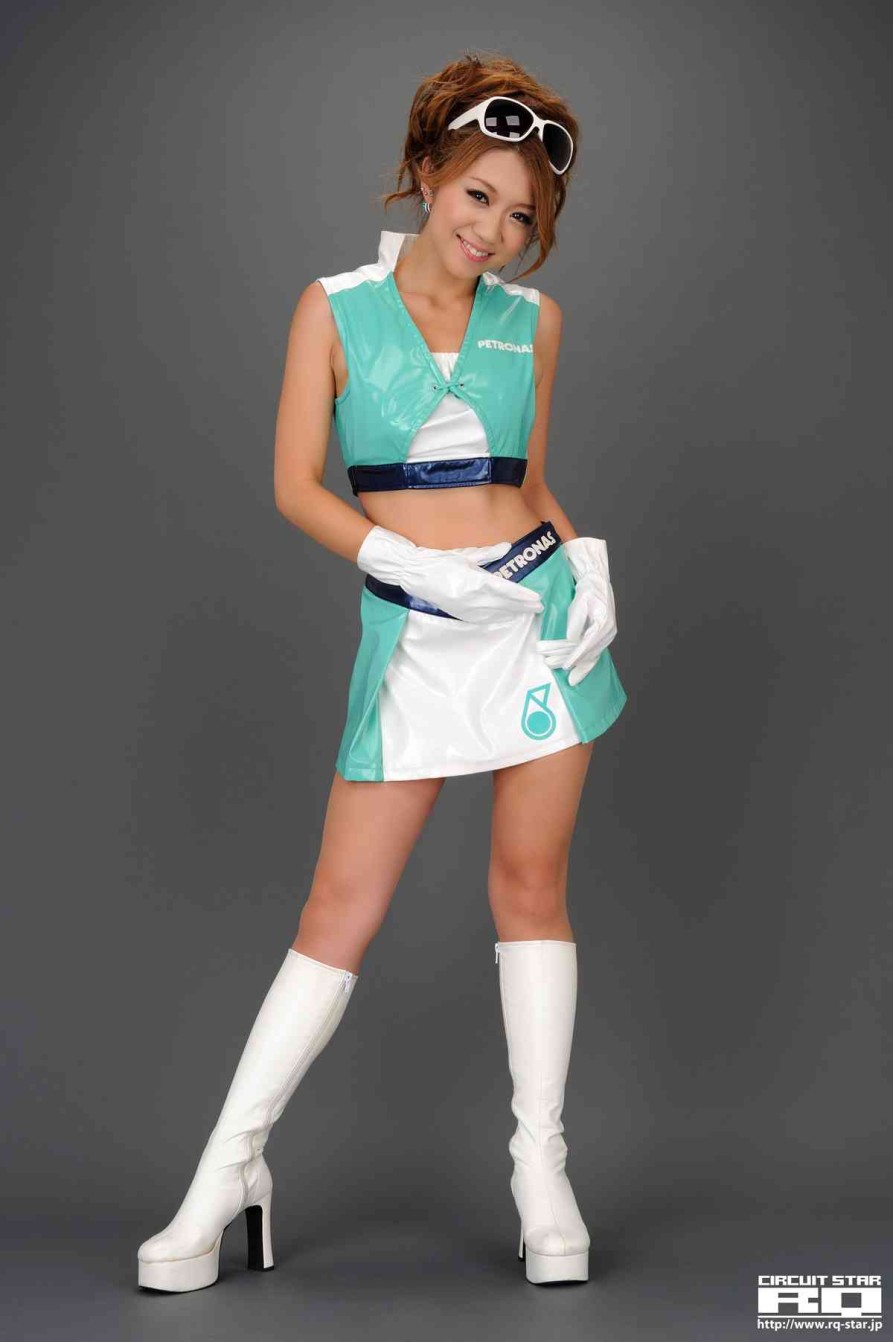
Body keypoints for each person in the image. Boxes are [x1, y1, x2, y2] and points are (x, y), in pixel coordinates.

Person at [137, 50, 628, 1293]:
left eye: (520, 216)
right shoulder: (332, 308)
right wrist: (401, 562)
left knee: (531, 888)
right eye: (476, 195)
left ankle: (539, 1172)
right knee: (336, 914)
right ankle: (228, 1171)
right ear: (425, 171)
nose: (492, 230)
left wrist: (587, 565)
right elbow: (293, 485)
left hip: (531, 620)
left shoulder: (535, 325)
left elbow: (525, 482)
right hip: (417, 627)